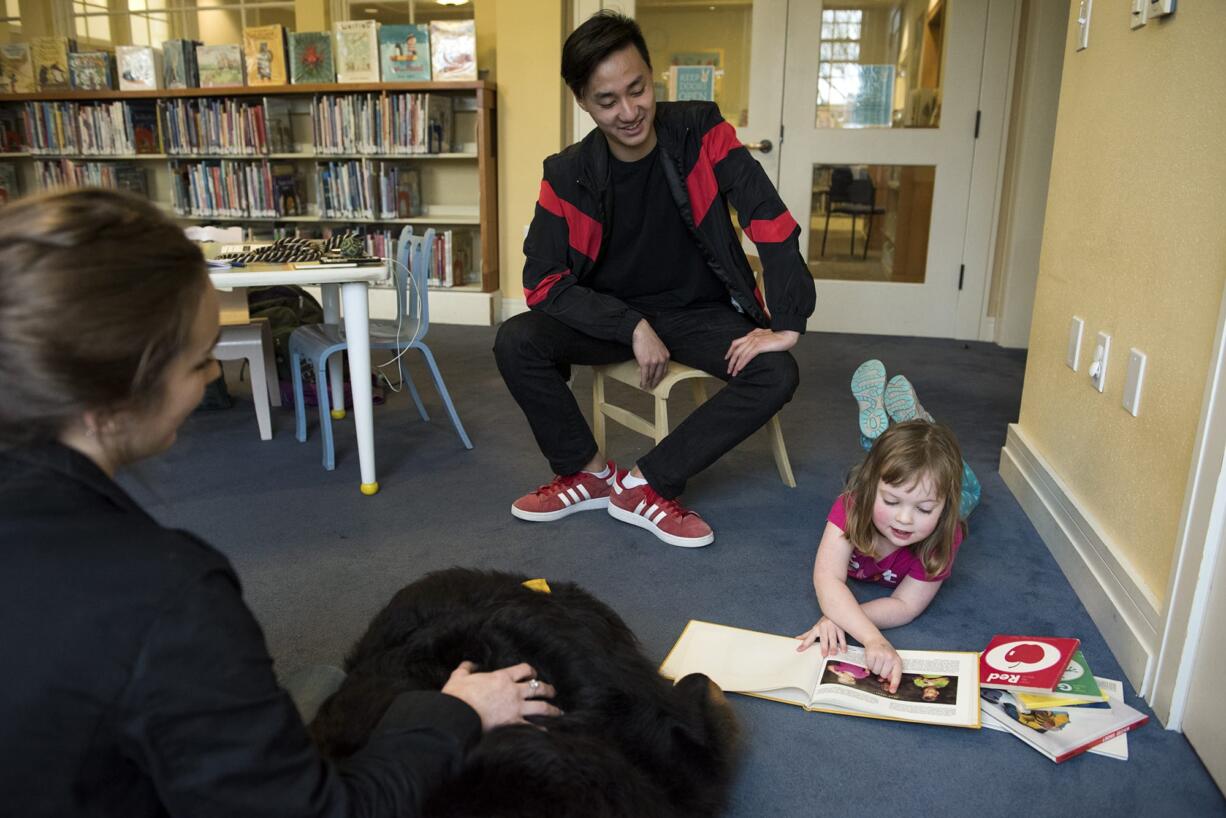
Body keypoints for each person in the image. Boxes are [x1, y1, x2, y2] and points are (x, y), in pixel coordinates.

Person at [0, 189, 560, 816]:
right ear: (117, 386)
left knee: (319, 686)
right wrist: (456, 713)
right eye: (198, 362)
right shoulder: (167, 590)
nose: (213, 377)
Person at [494, 11, 816, 549]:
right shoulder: (566, 172)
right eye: (607, 100)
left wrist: (788, 319)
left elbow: (767, 214)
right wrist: (631, 324)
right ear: (582, 102)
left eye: (637, 89)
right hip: (612, 317)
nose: (629, 111)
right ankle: (586, 472)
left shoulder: (701, 130)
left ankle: (648, 484)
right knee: (516, 339)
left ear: (651, 75)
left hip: (700, 313)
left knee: (777, 371)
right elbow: (543, 281)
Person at [795, 420, 964, 693]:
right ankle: (898, 418)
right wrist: (872, 638)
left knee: (970, 491)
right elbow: (828, 579)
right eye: (891, 501)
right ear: (870, 487)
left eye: (924, 509)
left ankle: (913, 416)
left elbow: (905, 605)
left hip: (955, 495)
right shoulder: (850, 506)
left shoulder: (946, 533)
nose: (905, 519)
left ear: (943, 510)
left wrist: (842, 617)